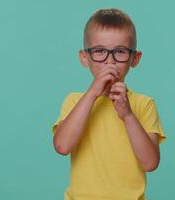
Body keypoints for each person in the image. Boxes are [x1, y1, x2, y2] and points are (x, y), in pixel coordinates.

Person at [52, 8, 167, 200]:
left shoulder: (144, 104)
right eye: (99, 51)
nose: (110, 61)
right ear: (84, 58)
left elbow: (150, 163)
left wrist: (128, 115)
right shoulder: (74, 101)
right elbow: (62, 146)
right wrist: (92, 93)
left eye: (120, 52)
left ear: (134, 59)